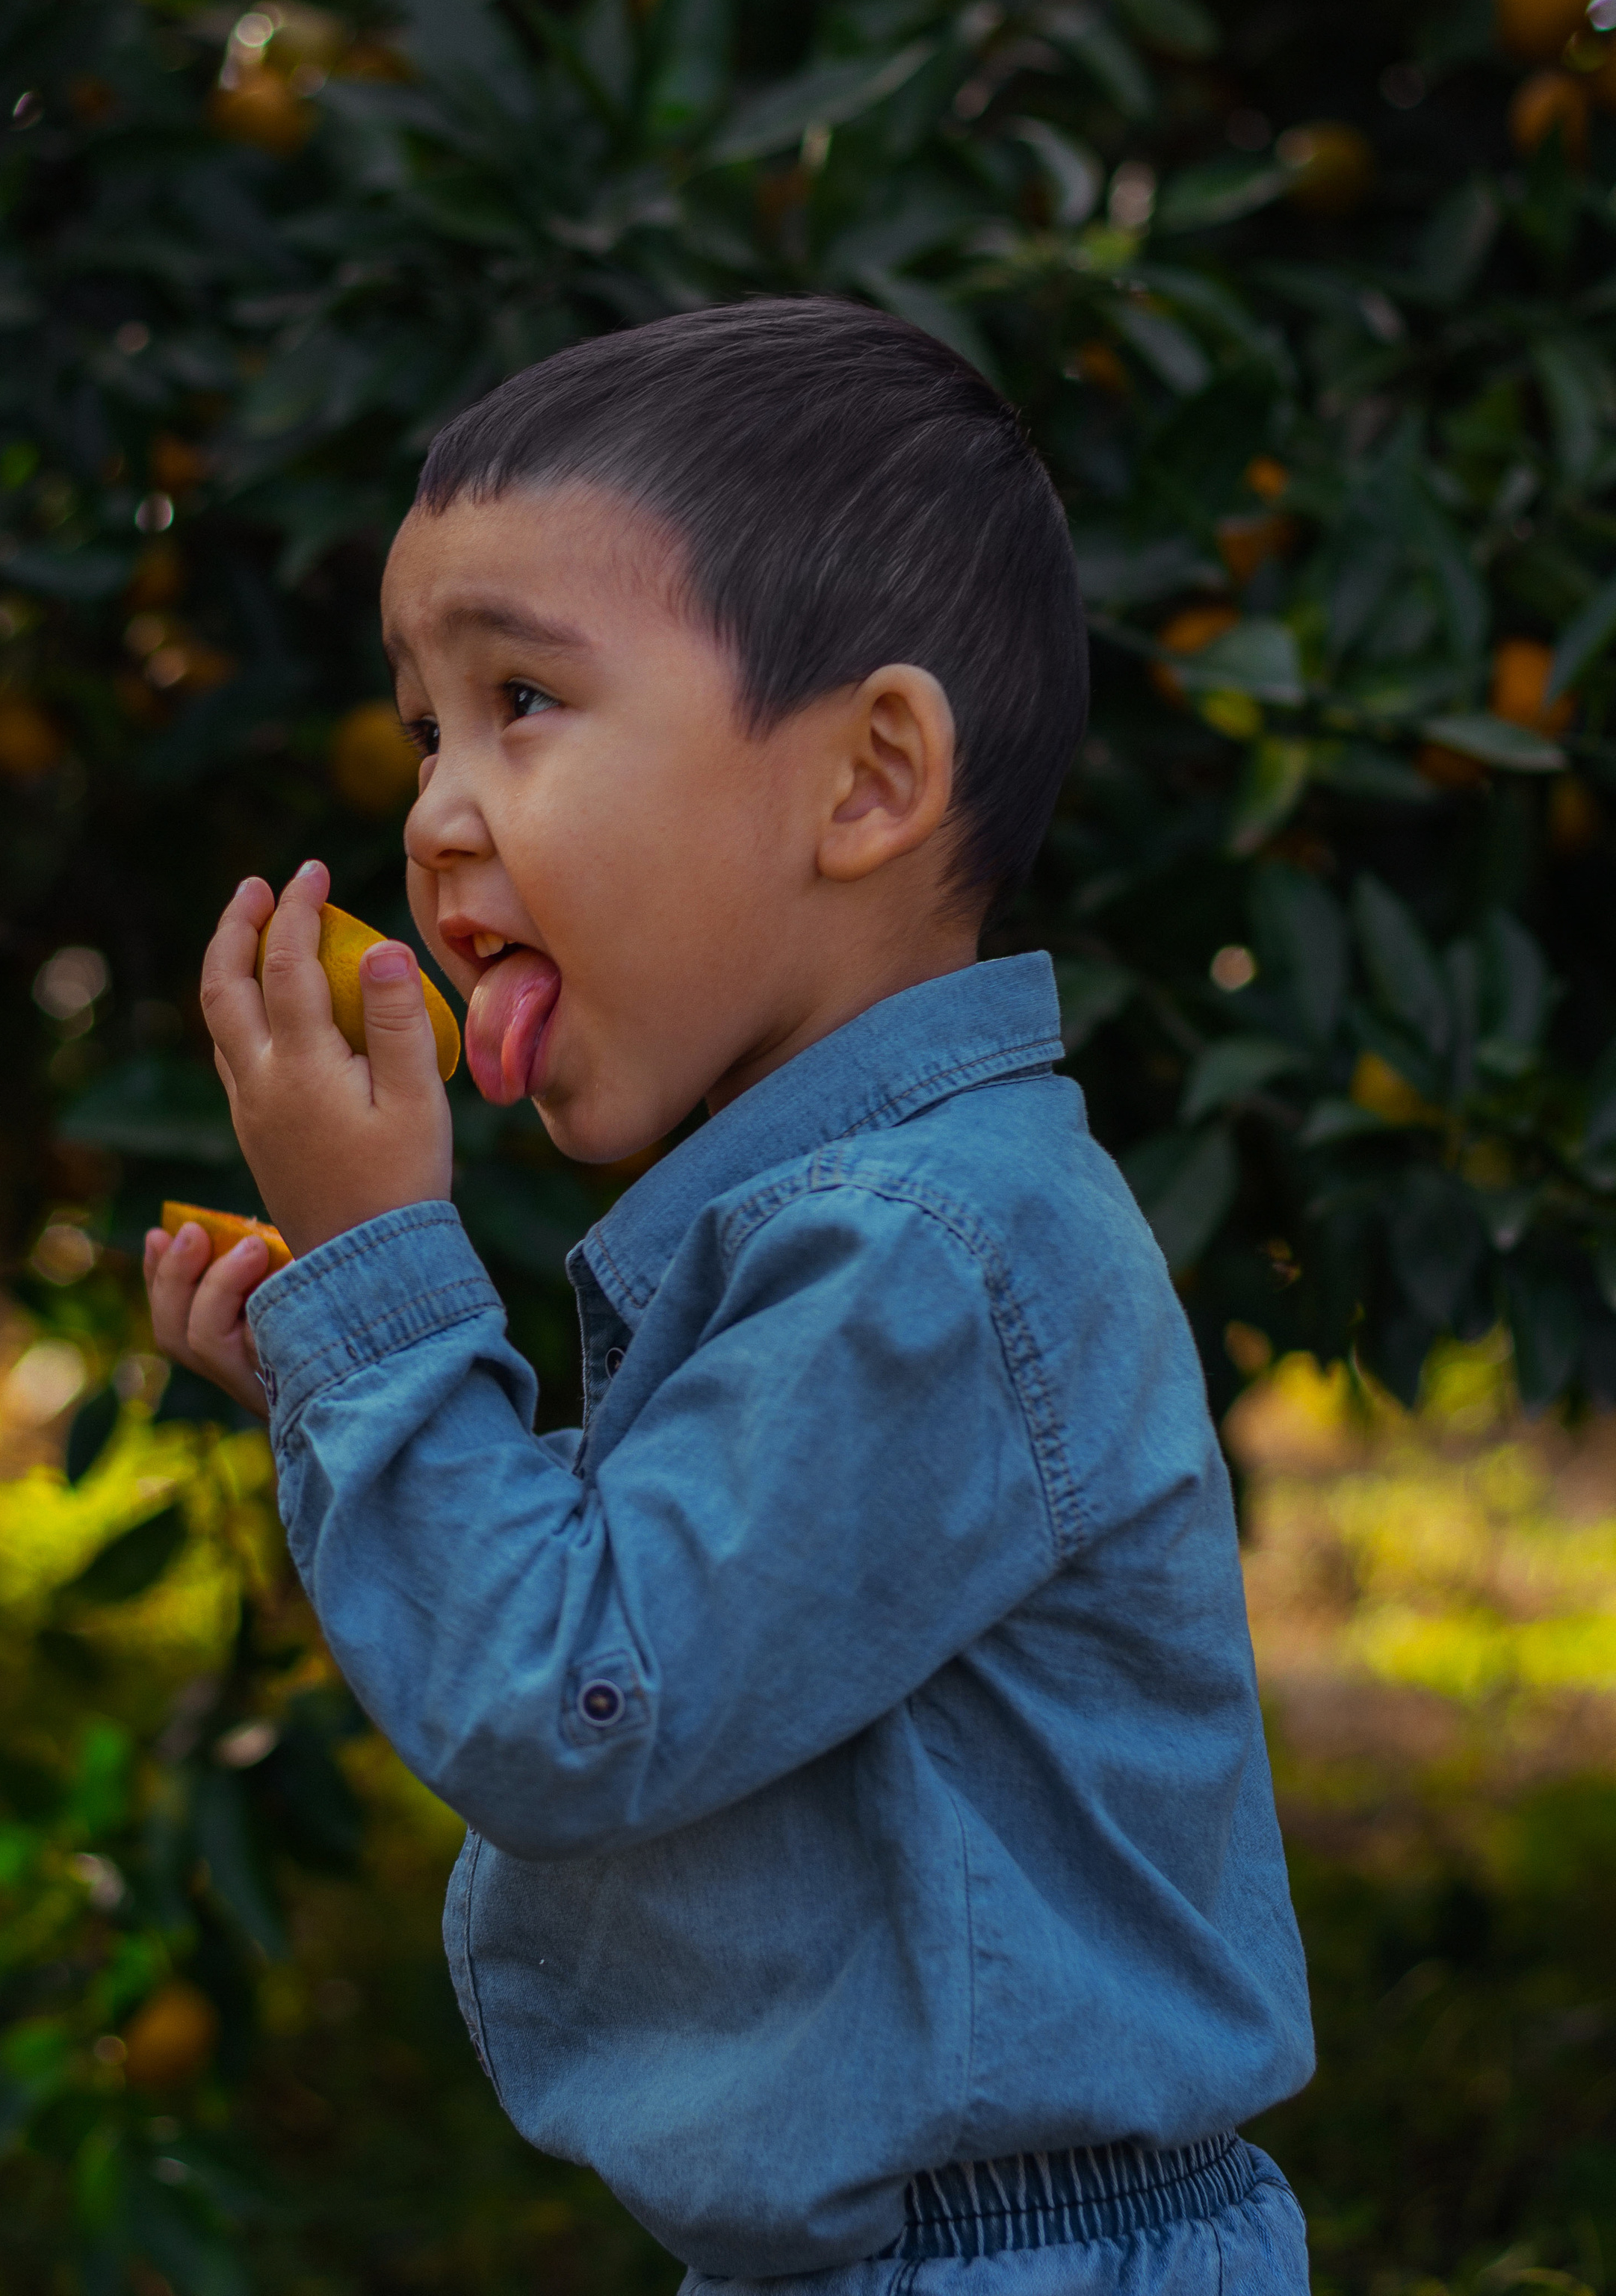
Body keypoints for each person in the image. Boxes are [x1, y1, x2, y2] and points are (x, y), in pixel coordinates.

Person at [144, 297, 1314, 2295]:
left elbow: (584, 1698)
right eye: (426, 724)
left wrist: (384, 1298)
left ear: (865, 783)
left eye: (525, 699)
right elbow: (684, 1593)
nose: (432, 807)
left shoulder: (933, 1254)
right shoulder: (853, 1236)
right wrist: (340, 1377)